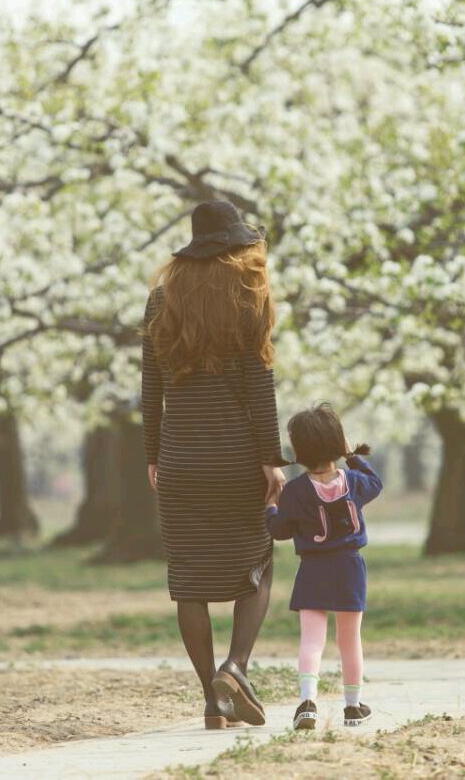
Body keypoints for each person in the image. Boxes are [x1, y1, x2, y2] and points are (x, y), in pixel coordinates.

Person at [140, 200, 290, 729]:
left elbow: (151, 388)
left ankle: (213, 700)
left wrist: (154, 456)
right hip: (235, 458)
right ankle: (235, 667)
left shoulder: (161, 300)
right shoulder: (247, 294)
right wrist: (271, 459)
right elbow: (259, 385)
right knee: (260, 562)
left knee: (189, 582)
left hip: (180, 459)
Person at [265, 403, 383, 730]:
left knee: (311, 640)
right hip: (350, 568)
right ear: (338, 443)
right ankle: (353, 706)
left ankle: (307, 703)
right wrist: (351, 455)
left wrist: (271, 507)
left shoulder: (295, 491)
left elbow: (280, 531)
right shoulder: (355, 482)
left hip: (313, 569)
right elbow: (376, 482)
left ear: (298, 450)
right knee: (350, 639)